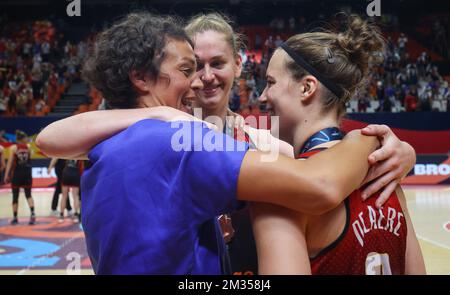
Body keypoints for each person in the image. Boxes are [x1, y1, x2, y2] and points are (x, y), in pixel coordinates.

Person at [37, 13, 416, 275]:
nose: (200, 80)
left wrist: (399, 149)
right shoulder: (182, 138)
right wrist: (366, 141)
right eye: (188, 68)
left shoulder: (107, 143)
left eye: (214, 63)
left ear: (237, 64)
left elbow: (51, 138)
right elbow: (318, 181)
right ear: (142, 77)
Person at [251, 15, 425, 274]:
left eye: (271, 83)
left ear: (306, 88)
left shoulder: (286, 192)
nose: (262, 97)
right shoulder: (386, 175)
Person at [4, 130, 36, 225]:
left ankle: (15, 217)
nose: (27, 139)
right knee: (28, 195)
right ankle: (33, 214)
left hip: (17, 173)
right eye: (25, 138)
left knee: (15, 196)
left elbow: (10, 163)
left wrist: (6, 174)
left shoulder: (13, 148)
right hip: (27, 173)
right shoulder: (29, 147)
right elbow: (29, 160)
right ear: (22, 139)